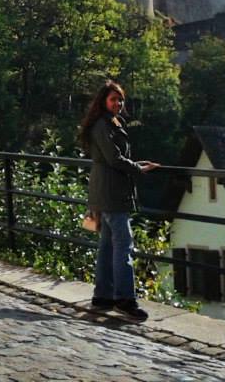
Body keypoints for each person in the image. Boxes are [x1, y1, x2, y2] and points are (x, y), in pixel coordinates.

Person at [79, 80, 159, 322]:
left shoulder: (108, 123)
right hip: (111, 193)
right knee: (123, 245)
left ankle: (103, 296)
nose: (118, 103)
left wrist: (136, 165)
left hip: (106, 192)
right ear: (104, 101)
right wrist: (138, 169)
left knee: (107, 246)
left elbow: (114, 157)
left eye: (120, 99)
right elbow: (114, 159)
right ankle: (124, 300)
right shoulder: (103, 125)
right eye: (114, 99)